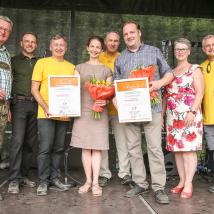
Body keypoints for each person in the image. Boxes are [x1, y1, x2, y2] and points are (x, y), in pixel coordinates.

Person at [113, 21, 173, 204]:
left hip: (152, 108)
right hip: (130, 111)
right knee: (133, 148)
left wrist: (159, 84)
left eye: (132, 32)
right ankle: (140, 182)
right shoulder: (120, 58)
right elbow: (116, 87)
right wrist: (117, 102)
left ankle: (159, 187)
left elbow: (169, 73)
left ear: (139, 33)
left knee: (155, 148)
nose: (129, 36)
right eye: (126, 34)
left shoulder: (153, 51)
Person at [31, 34, 76, 196]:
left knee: (58, 148)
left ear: (66, 47)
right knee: (45, 148)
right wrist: (46, 107)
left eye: (62, 45)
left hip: (64, 115)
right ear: (50, 47)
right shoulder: (41, 63)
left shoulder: (71, 67)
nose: (58, 47)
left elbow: (74, 92)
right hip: (45, 114)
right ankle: (43, 181)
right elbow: (34, 89)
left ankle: (55, 177)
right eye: (55, 45)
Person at [70, 36, 112, 197]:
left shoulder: (106, 70)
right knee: (86, 148)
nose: (94, 50)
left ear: (102, 50)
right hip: (83, 112)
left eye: (98, 47)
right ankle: (87, 181)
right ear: (87, 48)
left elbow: (108, 94)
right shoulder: (78, 68)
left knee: (97, 149)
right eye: (92, 46)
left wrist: (103, 102)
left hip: (99, 113)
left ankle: (96, 183)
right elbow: (71, 90)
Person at [163, 38, 204, 199]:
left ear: (188, 51)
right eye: (177, 49)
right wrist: (162, 115)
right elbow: (166, 95)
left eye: (183, 49)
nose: (179, 51)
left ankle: (189, 183)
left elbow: (200, 92)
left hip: (188, 114)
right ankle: (181, 181)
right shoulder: (171, 72)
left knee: (188, 150)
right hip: (173, 117)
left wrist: (192, 112)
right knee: (178, 151)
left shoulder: (195, 69)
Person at [98, 31, 131, 187]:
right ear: (105, 41)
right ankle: (104, 173)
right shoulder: (97, 56)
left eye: (116, 41)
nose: (112, 43)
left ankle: (124, 173)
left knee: (122, 142)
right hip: (102, 107)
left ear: (119, 43)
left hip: (120, 108)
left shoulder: (124, 57)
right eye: (110, 40)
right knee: (102, 142)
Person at [7, 32, 38, 194]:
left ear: (36, 45)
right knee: (17, 142)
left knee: (29, 143)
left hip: (35, 105)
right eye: (27, 41)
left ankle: (23, 176)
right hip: (18, 104)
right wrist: (8, 106)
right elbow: (7, 82)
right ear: (21, 43)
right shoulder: (13, 61)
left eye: (33, 42)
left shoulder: (40, 62)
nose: (30, 44)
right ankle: (13, 179)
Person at [0, 15, 13, 201]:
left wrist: (7, 106)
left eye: (6, 30)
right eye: (0, 27)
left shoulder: (5, 53)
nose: (2, 32)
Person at [200, 35, 214, 193]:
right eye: (208, 46)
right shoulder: (201, 67)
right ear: (203, 49)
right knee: (212, 150)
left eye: (213, 44)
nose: (211, 47)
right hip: (208, 118)